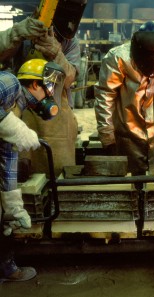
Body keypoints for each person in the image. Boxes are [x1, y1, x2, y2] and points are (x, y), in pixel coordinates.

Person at [94, 21, 154, 175]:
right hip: (128, 133)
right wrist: (107, 137)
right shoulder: (118, 58)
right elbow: (105, 97)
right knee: (133, 180)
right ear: (139, 50)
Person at [3, 0, 87, 177]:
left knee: (58, 173)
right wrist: (17, 34)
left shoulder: (70, 43)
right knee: (23, 172)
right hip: (23, 111)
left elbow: (70, 78)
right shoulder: (26, 32)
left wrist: (56, 53)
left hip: (57, 114)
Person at [0, 58, 65, 283]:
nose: (50, 94)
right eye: (49, 86)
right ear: (35, 85)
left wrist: (12, 206)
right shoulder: (9, 83)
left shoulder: (17, 110)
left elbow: (6, 159)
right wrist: (14, 127)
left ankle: (7, 269)